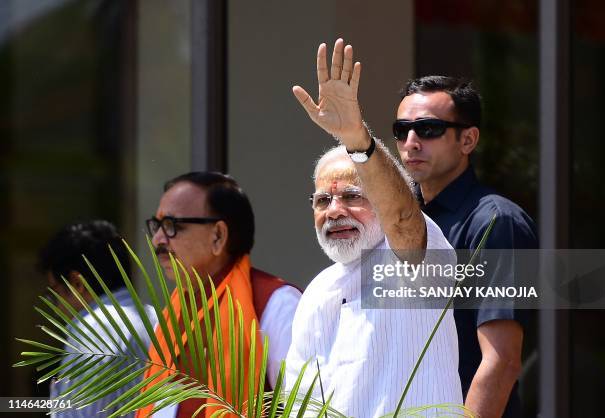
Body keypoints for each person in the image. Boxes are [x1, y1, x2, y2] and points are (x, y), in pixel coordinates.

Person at [285, 39, 463, 417]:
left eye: (351, 196)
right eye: (322, 201)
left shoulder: (413, 263)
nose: (334, 211)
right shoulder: (317, 292)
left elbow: (401, 217)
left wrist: (356, 140)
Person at [394, 75, 538, 417]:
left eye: (429, 129)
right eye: (402, 130)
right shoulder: (401, 221)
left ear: (468, 140)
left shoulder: (496, 222)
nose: (412, 141)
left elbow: (501, 361)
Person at [136, 171, 301, 418]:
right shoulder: (175, 311)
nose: (158, 239)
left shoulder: (277, 304)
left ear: (218, 236)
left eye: (171, 226)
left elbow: (309, 408)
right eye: (157, 225)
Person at [39, 219, 157, 418]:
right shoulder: (154, 318)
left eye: (54, 293)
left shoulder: (92, 330)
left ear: (77, 283)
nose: (56, 306)